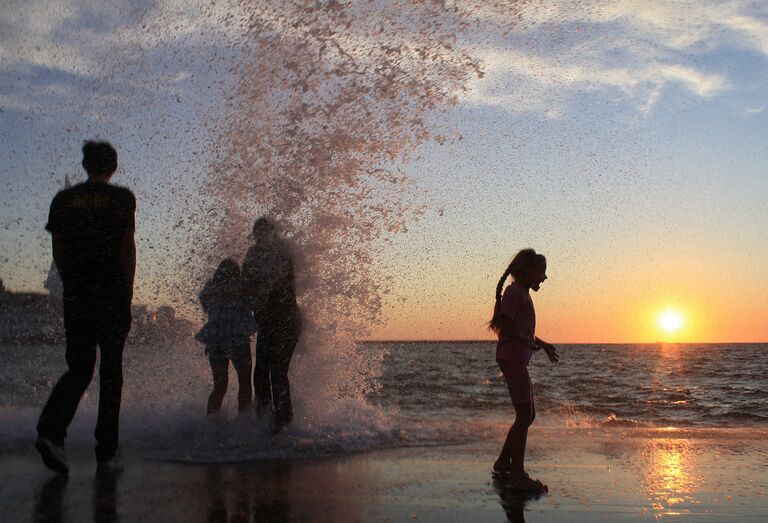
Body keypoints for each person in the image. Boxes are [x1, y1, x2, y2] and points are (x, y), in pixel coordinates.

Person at [36, 141, 136, 474]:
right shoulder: (122, 199)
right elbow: (126, 251)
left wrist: (73, 287)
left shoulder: (63, 200)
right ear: (114, 167)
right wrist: (126, 295)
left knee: (79, 368)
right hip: (112, 295)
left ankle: (51, 432)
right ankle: (107, 452)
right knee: (111, 373)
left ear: (84, 165)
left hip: (78, 297)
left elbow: (59, 252)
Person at [489, 249, 559, 492]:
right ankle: (516, 474)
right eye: (541, 273)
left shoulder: (522, 294)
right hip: (512, 358)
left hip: (517, 358)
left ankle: (502, 464)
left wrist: (542, 344)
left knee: (528, 415)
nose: (544, 278)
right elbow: (506, 328)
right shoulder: (514, 293)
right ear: (527, 271)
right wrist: (526, 341)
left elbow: (521, 330)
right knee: (524, 415)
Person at [242, 218, 301, 432]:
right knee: (260, 373)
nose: (260, 234)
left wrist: (260, 286)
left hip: (288, 319)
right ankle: (263, 423)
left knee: (277, 371)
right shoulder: (253, 254)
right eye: (257, 231)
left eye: (265, 230)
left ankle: (284, 424)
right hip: (266, 321)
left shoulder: (282, 249)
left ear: (272, 232)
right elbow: (245, 281)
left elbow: (280, 275)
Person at [197, 258, 256, 415]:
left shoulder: (210, 289)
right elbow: (255, 303)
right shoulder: (242, 289)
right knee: (244, 383)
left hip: (216, 343)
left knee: (219, 387)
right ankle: (244, 422)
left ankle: (211, 424)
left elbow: (204, 302)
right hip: (238, 341)